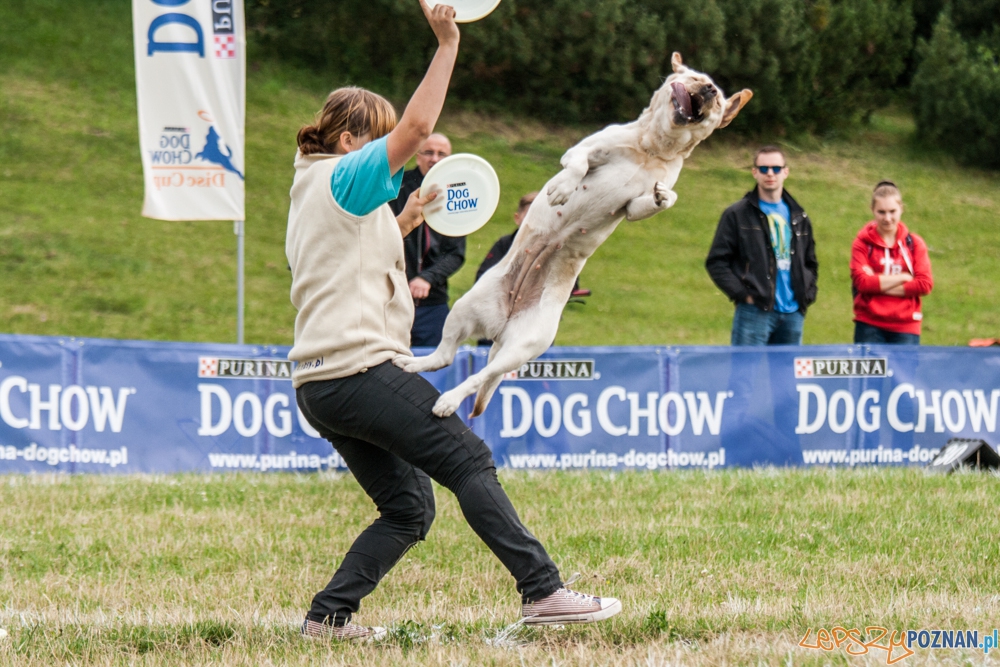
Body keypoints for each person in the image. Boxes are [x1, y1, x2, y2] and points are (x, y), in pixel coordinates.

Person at [284, 1, 620, 642]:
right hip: (357, 370)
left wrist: (408, 217)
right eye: (378, 145)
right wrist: (446, 45)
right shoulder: (346, 172)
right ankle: (542, 591)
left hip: (319, 385)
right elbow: (415, 127)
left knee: (409, 509)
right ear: (352, 142)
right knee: (469, 459)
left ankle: (327, 619)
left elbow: (349, 256)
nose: (392, 157)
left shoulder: (313, 189)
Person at [706, 146, 818, 345]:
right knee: (745, 375)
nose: (770, 174)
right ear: (754, 172)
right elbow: (716, 262)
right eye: (764, 168)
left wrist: (807, 295)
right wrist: (743, 295)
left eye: (776, 168)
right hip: (754, 311)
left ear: (786, 172)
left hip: (793, 313)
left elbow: (810, 262)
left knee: (786, 376)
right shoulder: (737, 214)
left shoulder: (799, 216)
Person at [389, 133, 466, 348]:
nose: (435, 159)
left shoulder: (457, 193)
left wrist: (428, 278)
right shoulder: (396, 187)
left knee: (434, 370)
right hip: (390, 299)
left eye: (442, 154)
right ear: (418, 156)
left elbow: (455, 254)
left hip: (432, 303)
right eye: (429, 152)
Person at [850, 180, 933, 344]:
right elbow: (862, 283)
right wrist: (903, 277)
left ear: (901, 208)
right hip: (869, 323)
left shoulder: (914, 244)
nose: (887, 218)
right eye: (881, 212)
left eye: (892, 211)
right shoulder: (862, 244)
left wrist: (877, 284)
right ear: (872, 210)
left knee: (903, 371)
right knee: (869, 371)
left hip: (906, 326)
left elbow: (924, 284)